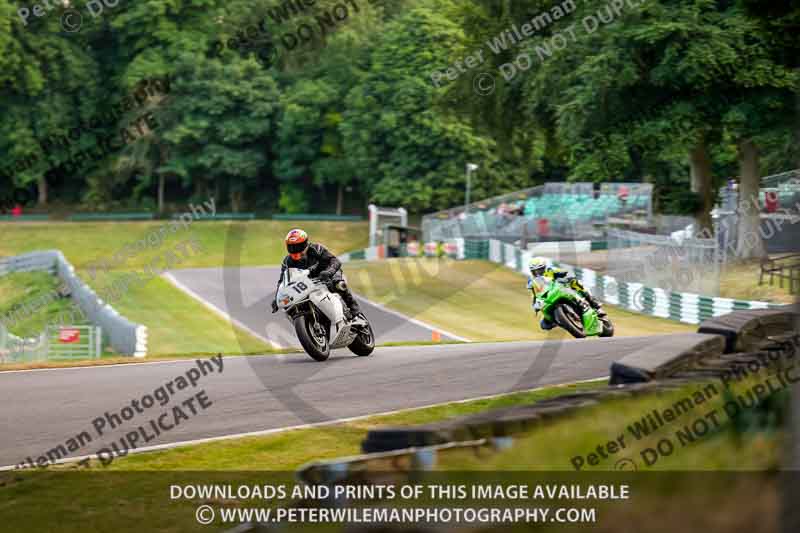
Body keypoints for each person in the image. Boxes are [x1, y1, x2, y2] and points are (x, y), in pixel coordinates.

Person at [272, 228, 361, 319]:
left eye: (298, 246)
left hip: (328, 273)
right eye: (291, 247)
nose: (295, 249)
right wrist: (277, 298)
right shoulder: (288, 261)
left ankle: (355, 310)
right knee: (289, 306)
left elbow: (335, 261)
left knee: (338, 284)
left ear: (305, 243)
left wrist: (329, 272)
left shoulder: (316, 249)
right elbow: (282, 281)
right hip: (307, 282)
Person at [527, 257, 605, 330]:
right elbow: (534, 294)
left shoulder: (551, 270)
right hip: (548, 298)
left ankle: (594, 303)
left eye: (539, 270)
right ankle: (559, 321)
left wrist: (565, 276)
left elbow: (564, 272)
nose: (537, 273)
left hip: (560, 289)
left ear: (544, 268)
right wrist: (535, 305)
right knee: (543, 325)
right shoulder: (531, 281)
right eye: (535, 271)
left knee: (575, 282)